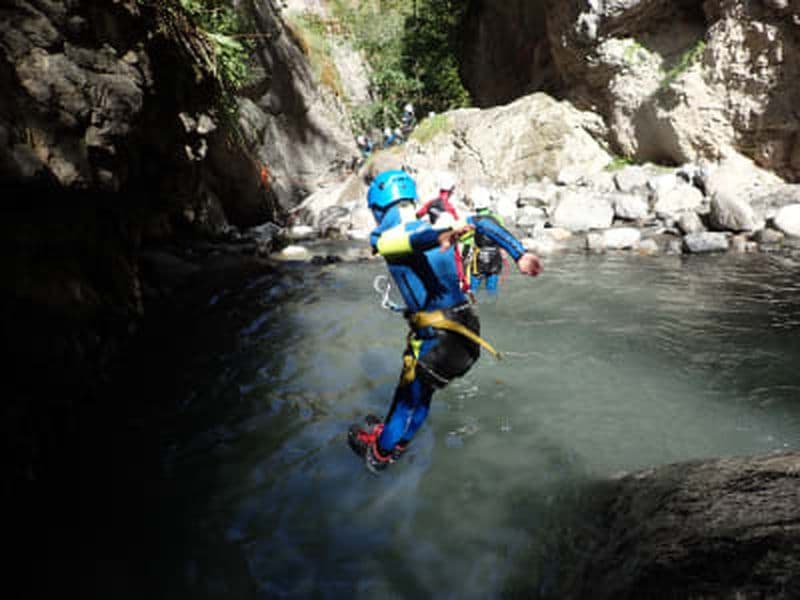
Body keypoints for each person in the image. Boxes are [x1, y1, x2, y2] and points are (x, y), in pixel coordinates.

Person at [347, 169, 543, 473]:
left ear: (377, 208)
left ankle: (380, 454)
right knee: (423, 395)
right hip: (467, 334)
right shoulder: (438, 225)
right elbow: (480, 222)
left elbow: (409, 239)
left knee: (404, 402)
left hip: (437, 340)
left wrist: (438, 234)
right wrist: (520, 254)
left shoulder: (390, 238)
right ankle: (399, 443)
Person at [462, 186, 506, 294]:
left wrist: (463, 259)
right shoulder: (498, 219)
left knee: (473, 290)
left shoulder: (470, 220)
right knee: (492, 290)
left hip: (479, 259)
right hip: (495, 257)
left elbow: (466, 242)